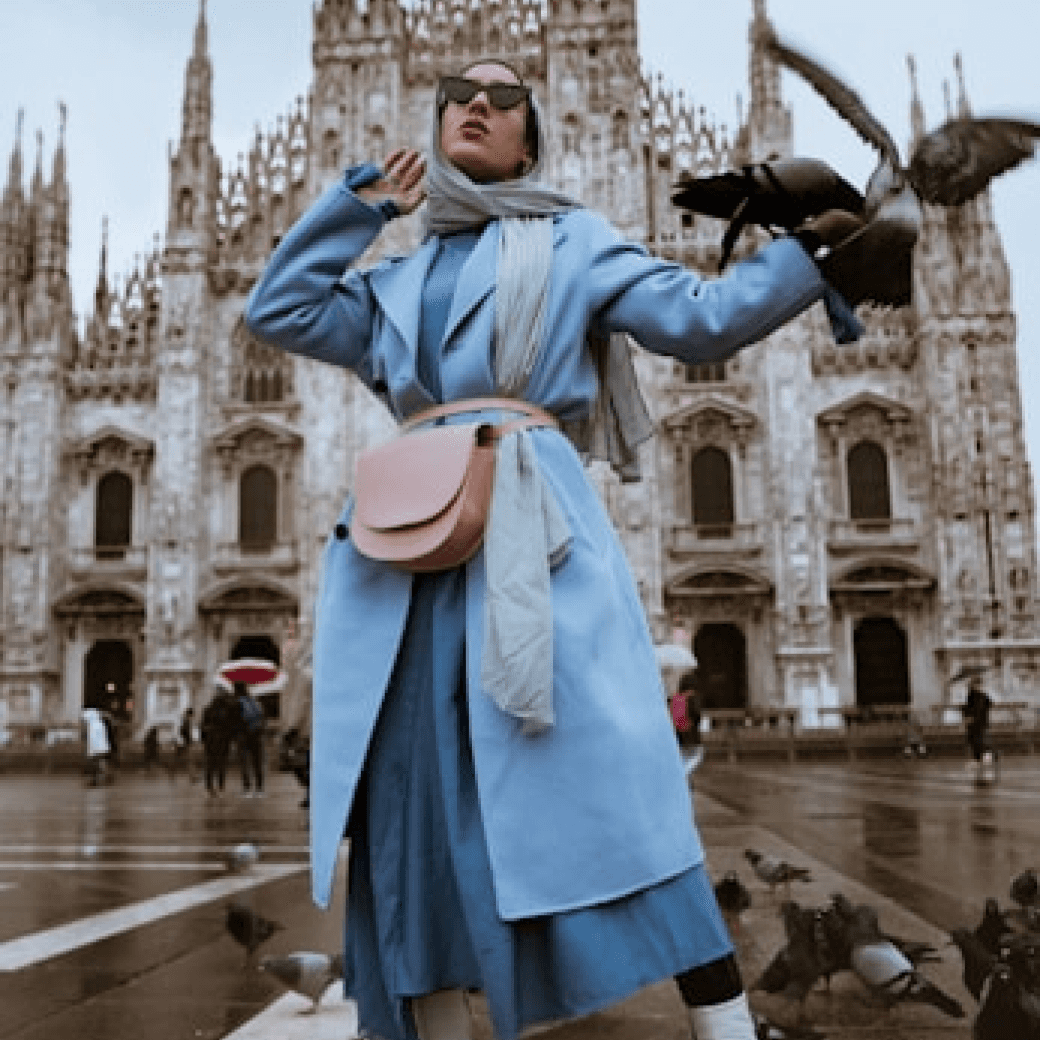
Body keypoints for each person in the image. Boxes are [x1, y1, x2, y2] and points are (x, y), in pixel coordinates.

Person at [244, 58, 900, 1040]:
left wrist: (814, 253)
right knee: (412, 807)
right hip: (412, 555)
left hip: (528, 531)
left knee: (615, 787)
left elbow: (699, 319)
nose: (477, 104)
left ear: (530, 144)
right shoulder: (391, 282)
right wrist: (355, 210)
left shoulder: (572, 241)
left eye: (504, 97)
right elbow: (279, 310)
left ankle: (724, 1024)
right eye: (458, 94)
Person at [200, 679, 235, 797]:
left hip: (211, 739)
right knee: (221, 764)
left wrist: (204, 739)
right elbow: (230, 726)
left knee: (210, 763)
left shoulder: (209, 708)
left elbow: (203, 726)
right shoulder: (227, 708)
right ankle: (220, 787)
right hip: (222, 739)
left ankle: (210, 787)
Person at [233, 681, 266, 797]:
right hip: (256, 734)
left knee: (245, 763)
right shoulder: (254, 701)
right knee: (258, 762)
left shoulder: (237, 702)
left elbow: (235, 720)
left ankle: (247, 789)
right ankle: (259, 789)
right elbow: (262, 717)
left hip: (243, 735)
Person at [962, 680, 993, 774]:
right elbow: (988, 705)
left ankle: (981, 759)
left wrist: (968, 716)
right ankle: (980, 759)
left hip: (976, 722)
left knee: (976, 741)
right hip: (979, 722)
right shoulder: (980, 696)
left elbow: (972, 709)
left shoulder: (975, 696)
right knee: (977, 741)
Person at [81, 707, 111, 787]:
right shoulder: (99, 723)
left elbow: (90, 737)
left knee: (96, 764)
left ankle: (97, 780)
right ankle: (102, 778)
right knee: (99, 763)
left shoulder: (93, 725)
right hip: (99, 747)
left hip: (95, 748)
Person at [175, 706, 195, 781]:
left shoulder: (184, 721)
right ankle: (192, 776)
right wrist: (189, 740)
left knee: (189, 760)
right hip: (187, 744)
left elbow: (182, 732)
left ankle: (192, 776)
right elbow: (184, 732)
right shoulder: (186, 722)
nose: (192, 717)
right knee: (189, 760)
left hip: (185, 743)